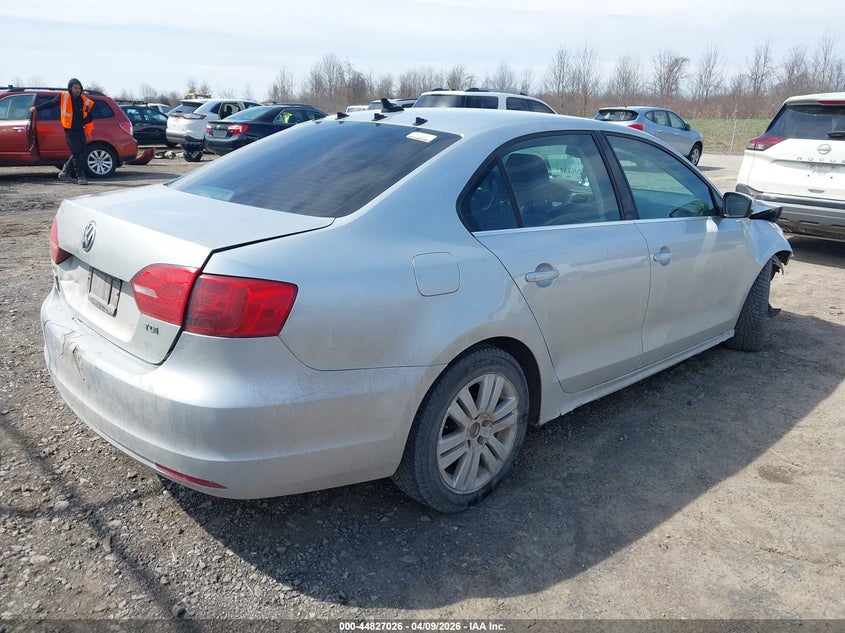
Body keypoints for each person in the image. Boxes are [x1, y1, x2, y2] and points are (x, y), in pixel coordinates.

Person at [30, 78, 94, 185]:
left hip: (80, 129)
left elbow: (90, 117)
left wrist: (83, 122)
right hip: (69, 130)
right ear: (70, 88)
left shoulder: (84, 100)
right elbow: (50, 104)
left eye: (79, 88)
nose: (77, 90)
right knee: (77, 152)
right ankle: (81, 176)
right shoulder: (64, 97)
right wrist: (37, 108)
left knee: (81, 151)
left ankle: (65, 173)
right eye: (75, 88)